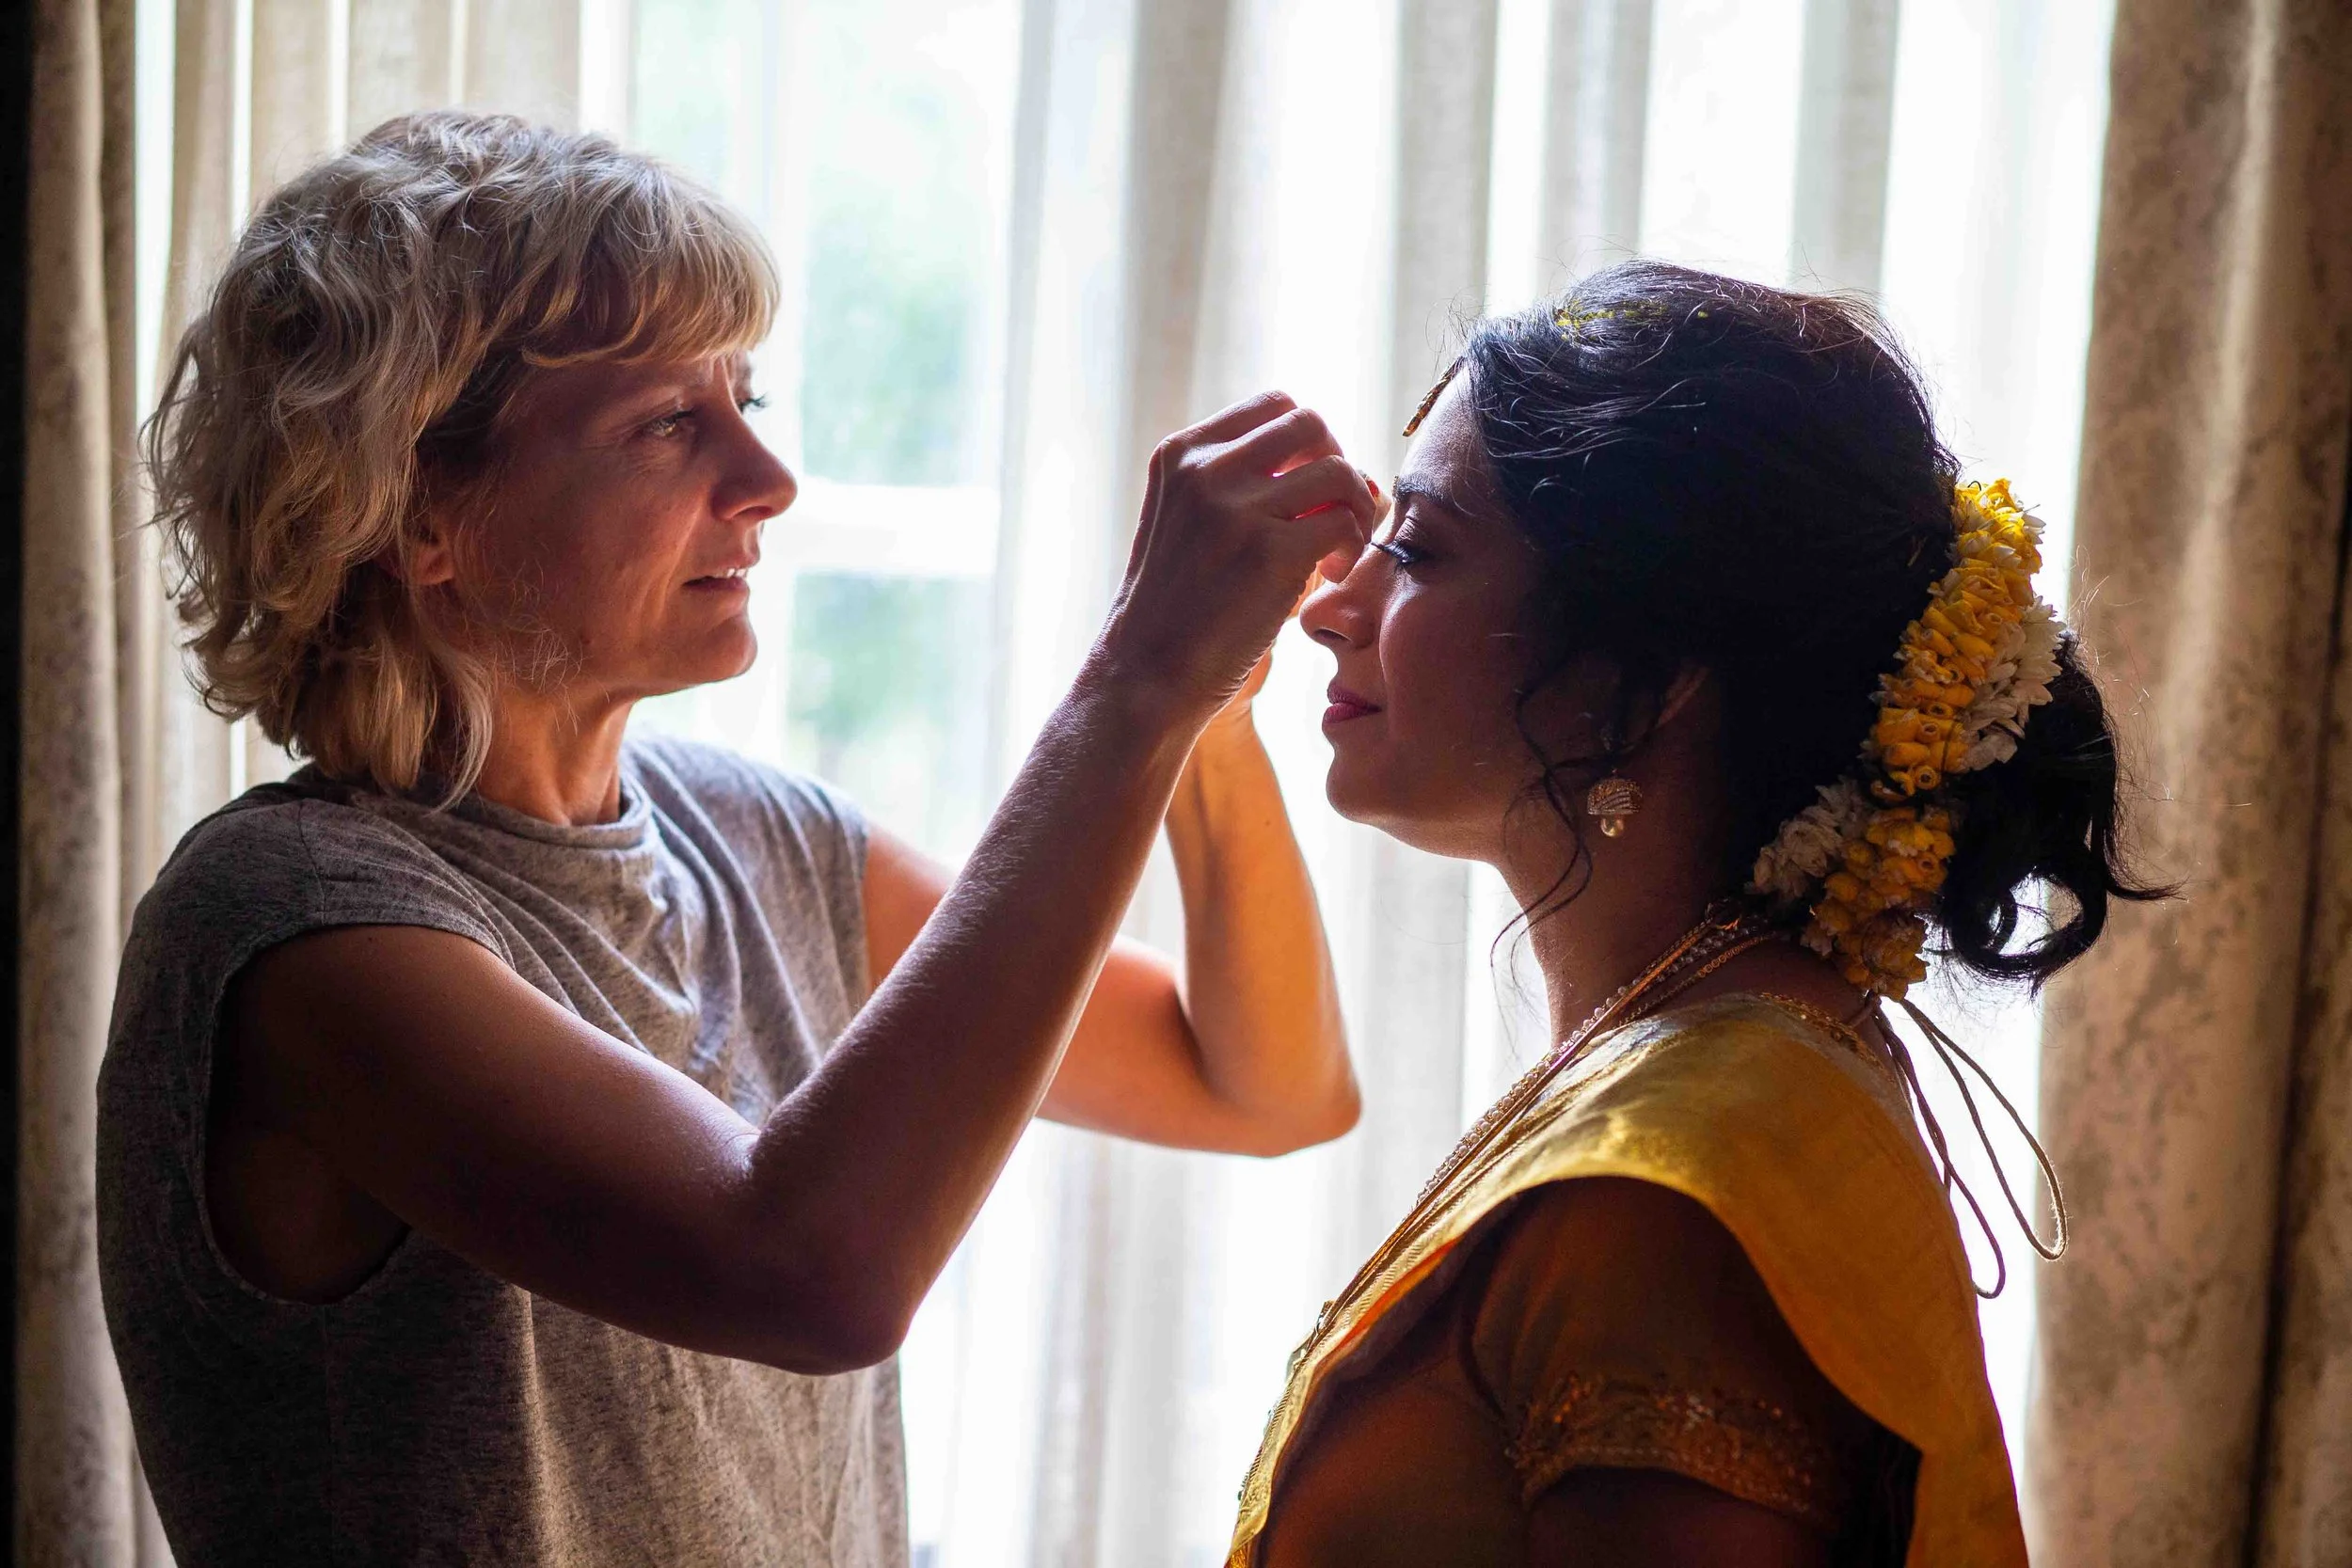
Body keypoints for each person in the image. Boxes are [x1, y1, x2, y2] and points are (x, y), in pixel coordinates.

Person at [97, 112, 1372, 1567]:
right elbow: (810, 1270)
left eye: (746, 397)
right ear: (417, 510)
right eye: (665, 424)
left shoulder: (763, 839)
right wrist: (1135, 681)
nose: (766, 475)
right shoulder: (289, 926)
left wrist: (1206, 712)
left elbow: (1263, 1086)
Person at [1229, 261, 2165, 1567]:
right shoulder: (1709, 1054)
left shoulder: (1670, 1185)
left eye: (1421, 548)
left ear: (1643, 676)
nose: (1332, 606)